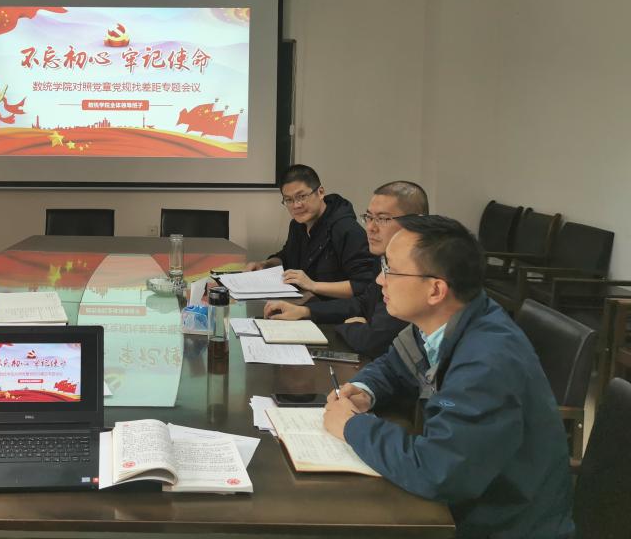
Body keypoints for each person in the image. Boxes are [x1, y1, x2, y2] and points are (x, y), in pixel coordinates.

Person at [323, 215, 574, 538]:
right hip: (469, 504)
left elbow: (437, 471)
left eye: (391, 270)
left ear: (435, 290)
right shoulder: (448, 320)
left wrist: (352, 426)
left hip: (501, 523)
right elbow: (395, 365)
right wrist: (365, 389)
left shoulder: (487, 362)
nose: (379, 280)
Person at [263, 181, 426, 357]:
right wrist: (305, 311)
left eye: (383, 219)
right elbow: (362, 303)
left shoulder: (418, 269)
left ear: (416, 222)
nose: (370, 228)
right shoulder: (383, 258)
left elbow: (373, 339)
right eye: (369, 217)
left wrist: (353, 325)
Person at [246, 164, 377, 300]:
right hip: (304, 302)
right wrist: (265, 265)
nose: (296, 205)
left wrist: (313, 285)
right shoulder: (297, 225)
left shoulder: (347, 229)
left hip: (336, 309)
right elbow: (287, 256)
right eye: (289, 200)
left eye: (302, 196)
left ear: (320, 192)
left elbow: (364, 285)